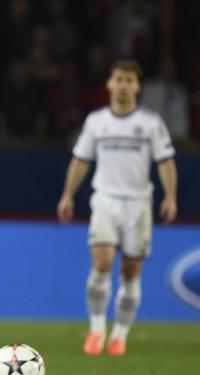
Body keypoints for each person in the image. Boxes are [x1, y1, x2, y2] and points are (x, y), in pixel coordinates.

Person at [57, 59, 178, 356]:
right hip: (106, 200)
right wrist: (68, 195)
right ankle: (97, 329)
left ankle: (120, 336)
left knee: (130, 271)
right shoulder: (97, 122)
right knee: (102, 263)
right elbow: (81, 160)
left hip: (138, 203)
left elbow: (165, 162)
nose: (123, 85)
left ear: (137, 86)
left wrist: (170, 196)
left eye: (129, 80)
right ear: (109, 84)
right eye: (119, 79)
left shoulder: (150, 123)